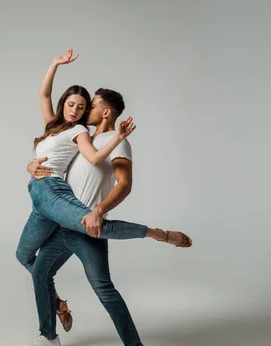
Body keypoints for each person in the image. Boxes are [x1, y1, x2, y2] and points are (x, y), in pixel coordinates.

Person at [15, 49, 191, 330]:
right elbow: (53, 146)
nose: (82, 110)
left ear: (103, 112)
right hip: (57, 215)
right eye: (76, 105)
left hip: (78, 212)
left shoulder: (97, 137)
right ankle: (50, 331)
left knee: (102, 286)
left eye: (89, 106)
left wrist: (98, 210)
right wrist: (30, 167)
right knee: (33, 266)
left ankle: (158, 234)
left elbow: (122, 182)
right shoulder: (70, 131)